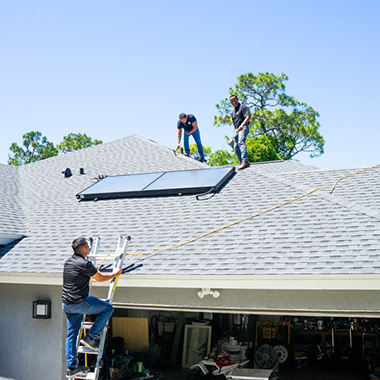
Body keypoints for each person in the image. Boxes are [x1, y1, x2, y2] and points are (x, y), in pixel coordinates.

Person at [62, 237, 122, 377]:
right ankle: (91, 337)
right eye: (88, 247)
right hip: (79, 303)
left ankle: (71, 367)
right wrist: (115, 273)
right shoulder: (84, 263)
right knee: (108, 308)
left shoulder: (68, 262)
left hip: (67, 304)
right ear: (83, 249)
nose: (89, 249)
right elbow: (100, 278)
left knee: (72, 334)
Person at [229, 95, 251, 170]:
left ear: (237, 99)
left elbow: (248, 116)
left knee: (241, 141)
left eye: (234, 100)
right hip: (237, 129)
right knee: (235, 146)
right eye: (231, 101)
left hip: (244, 127)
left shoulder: (243, 107)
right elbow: (234, 124)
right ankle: (241, 162)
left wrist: (242, 125)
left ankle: (245, 160)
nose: (233, 102)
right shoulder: (233, 112)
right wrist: (234, 132)